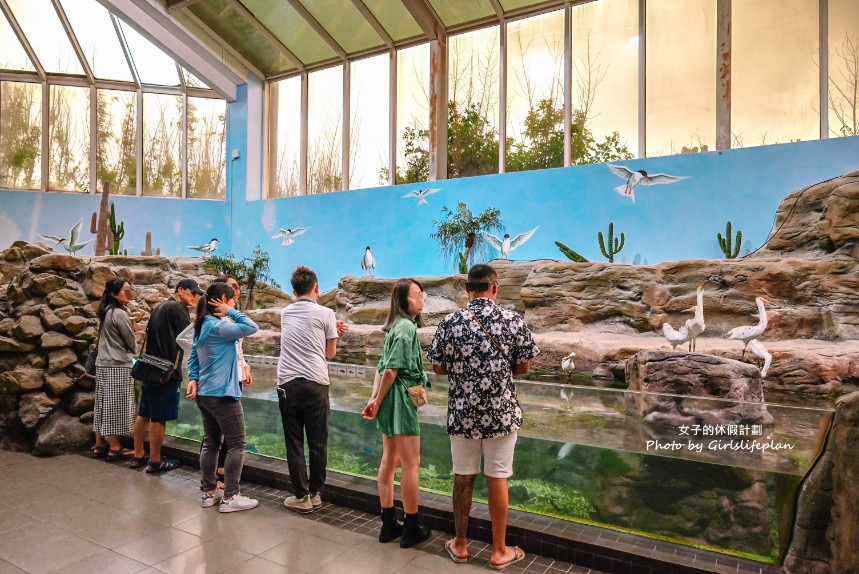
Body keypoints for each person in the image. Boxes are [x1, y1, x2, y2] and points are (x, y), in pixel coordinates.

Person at [427, 264, 539, 570]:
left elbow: (437, 367)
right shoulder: (512, 319)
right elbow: (525, 366)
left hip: (462, 414)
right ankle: (499, 551)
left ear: (467, 289)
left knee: (463, 478)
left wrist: (465, 373)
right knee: (498, 478)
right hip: (501, 414)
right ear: (495, 287)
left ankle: (461, 545)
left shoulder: (450, 322)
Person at [362, 278, 432, 548]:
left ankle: (389, 524)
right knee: (411, 464)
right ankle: (411, 527)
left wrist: (374, 398)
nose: (422, 298)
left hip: (390, 399)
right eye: (417, 294)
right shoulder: (406, 328)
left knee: (389, 460)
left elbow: (381, 368)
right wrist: (377, 401)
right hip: (401, 400)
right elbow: (391, 370)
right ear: (404, 300)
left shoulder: (395, 328)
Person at [277, 266, 348, 513]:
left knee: (294, 442)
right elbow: (329, 353)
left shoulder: (285, 313)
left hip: (287, 384)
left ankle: (301, 496)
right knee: (318, 441)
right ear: (317, 287)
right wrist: (333, 332)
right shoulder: (327, 313)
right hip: (316, 383)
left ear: (294, 292)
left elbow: (302, 332)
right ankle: (316, 493)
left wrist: (329, 328)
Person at [187, 282, 260, 512]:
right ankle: (230, 497)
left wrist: (193, 377)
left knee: (211, 443)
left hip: (206, 393)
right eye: (232, 300)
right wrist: (231, 313)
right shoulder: (219, 327)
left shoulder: (202, 325)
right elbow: (251, 327)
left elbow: (193, 356)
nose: (234, 303)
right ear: (221, 301)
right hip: (223, 395)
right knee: (237, 444)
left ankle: (209, 493)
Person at [131, 278, 204, 472]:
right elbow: (189, 340)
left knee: (143, 413)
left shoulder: (160, 307)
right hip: (165, 372)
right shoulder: (178, 309)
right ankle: (155, 460)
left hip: (149, 368)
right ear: (181, 290)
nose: (196, 297)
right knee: (159, 417)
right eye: (193, 293)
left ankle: (138, 454)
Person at [92, 277, 138, 461]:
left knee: (102, 404)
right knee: (115, 406)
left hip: (103, 363)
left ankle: (99, 445)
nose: (128, 292)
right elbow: (131, 343)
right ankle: (115, 447)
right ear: (114, 294)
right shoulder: (119, 313)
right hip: (117, 364)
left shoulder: (106, 311)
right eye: (125, 290)